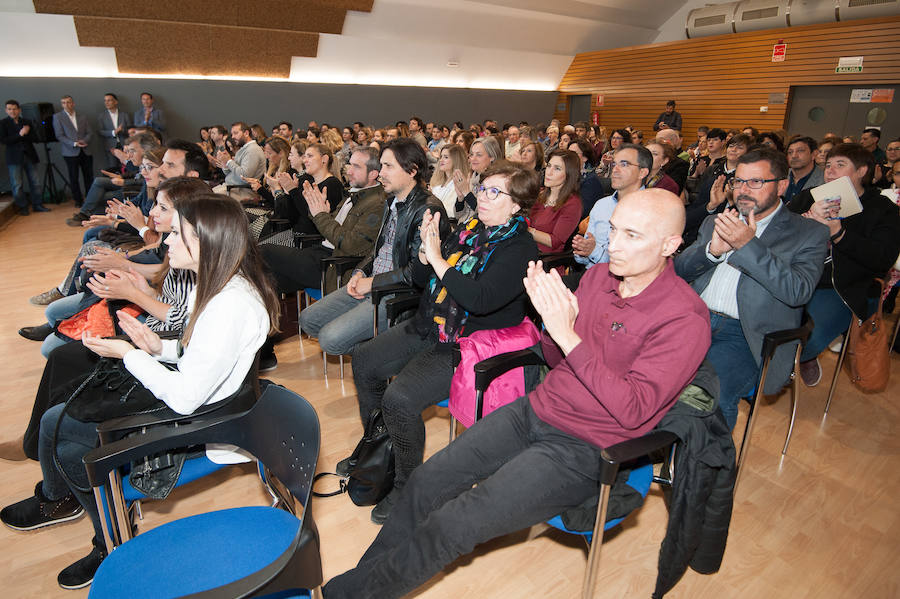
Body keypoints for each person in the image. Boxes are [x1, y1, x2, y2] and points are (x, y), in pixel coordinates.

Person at [322, 188, 710, 599]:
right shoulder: (599, 278)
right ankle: (364, 586)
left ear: (671, 245)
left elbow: (632, 411)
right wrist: (550, 325)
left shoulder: (684, 319)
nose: (612, 244)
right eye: (613, 230)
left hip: (585, 447)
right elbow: (557, 360)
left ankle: (345, 595)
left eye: (632, 236)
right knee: (426, 482)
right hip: (536, 410)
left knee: (454, 523)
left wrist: (567, 334)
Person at [0, 191, 279, 590]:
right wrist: (156, 346)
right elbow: (195, 351)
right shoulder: (223, 287)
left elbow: (186, 397)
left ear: (206, 243)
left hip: (202, 418)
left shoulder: (227, 304)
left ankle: (105, 538)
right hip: (199, 397)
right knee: (60, 427)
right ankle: (89, 521)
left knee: (58, 428)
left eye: (177, 234)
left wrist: (130, 354)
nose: (165, 241)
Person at [347, 162, 541, 523]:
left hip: (468, 341)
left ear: (517, 204)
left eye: (494, 192)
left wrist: (437, 259)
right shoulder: (471, 229)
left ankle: (407, 486)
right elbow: (424, 278)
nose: (482, 197)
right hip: (432, 324)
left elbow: (479, 300)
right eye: (483, 188)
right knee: (364, 360)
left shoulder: (520, 248)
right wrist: (425, 253)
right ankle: (379, 446)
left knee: (400, 398)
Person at [675, 147, 830, 429]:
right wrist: (711, 251)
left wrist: (748, 245)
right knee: (635, 370)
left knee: (703, 397)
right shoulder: (716, 221)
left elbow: (798, 291)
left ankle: (704, 472)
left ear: (782, 185)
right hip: (692, 320)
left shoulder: (808, 232)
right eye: (739, 181)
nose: (743, 190)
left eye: (755, 182)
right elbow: (678, 271)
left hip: (747, 334)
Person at [298, 139, 448, 356]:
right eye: (381, 166)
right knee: (308, 320)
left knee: (330, 340)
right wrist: (361, 271)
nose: (380, 173)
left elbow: (418, 273)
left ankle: (382, 355)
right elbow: (378, 249)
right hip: (372, 281)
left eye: (388, 166)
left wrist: (372, 282)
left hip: (397, 292)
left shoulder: (428, 210)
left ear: (412, 170)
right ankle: (380, 351)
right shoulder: (391, 202)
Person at [785, 144, 900, 386]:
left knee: (809, 336)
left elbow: (882, 257)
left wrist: (838, 233)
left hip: (843, 286)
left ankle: (794, 361)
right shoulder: (810, 196)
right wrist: (800, 224)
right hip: (798, 273)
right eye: (827, 165)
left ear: (861, 171)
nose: (830, 171)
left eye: (840, 165)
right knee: (764, 321)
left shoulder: (882, 209)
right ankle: (773, 368)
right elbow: (778, 228)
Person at [574, 143, 651, 268]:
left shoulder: (650, 210)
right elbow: (585, 258)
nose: (615, 169)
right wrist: (582, 251)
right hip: (591, 275)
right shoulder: (602, 204)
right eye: (614, 164)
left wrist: (594, 251)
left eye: (624, 164)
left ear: (642, 172)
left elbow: (632, 265)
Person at [528, 149, 582, 254]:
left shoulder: (573, 204)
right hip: (526, 248)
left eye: (557, 168)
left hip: (545, 259)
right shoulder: (540, 194)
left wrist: (527, 230)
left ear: (569, 174)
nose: (549, 172)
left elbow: (555, 241)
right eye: (549, 166)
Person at [1, 99, 46, 215]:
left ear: (19, 110)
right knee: (17, 184)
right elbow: (4, 141)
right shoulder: (3, 123)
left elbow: (35, 138)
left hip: (29, 155)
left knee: (35, 182)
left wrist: (26, 133)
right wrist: (20, 134)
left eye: (14, 109)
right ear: (6, 110)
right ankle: (23, 207)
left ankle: (38, 205)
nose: (12, 111)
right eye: (9, 109)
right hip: (14, 158)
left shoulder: (26, 121)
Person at [52, 95, 94, 207]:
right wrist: (74, 143)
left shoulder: (83, 116)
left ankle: (91, 198)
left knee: (89, 176)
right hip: (70, 152)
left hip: (85, 150)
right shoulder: (58, 117)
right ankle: (78, 200)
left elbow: (90, 132)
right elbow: (59, 135)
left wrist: (84, 141)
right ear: (62, 105)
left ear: (73, 103)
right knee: (73, 177)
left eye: (68, 102)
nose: (66, 105)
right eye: (64, 103)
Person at [213, 121, 265, 200]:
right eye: (232, 134)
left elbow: (245, 176)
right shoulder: (243, 149)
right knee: (204, 195)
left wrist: (229, 161)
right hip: (232, 187)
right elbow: (229, 174)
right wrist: (225, 164)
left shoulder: (253, 150)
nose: (233, 137)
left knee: (206, 200)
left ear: (246, 133)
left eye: (236, 133)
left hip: (243, 191)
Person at [429, 144, 470, 218]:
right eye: (441, 156)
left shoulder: (461, 183)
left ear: (456, 160)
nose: (441, 160)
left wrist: (432, 201)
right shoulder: (437, 181)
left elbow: (452, 212)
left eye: (446, 157)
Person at [782, 136, 824, 208]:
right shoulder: (780, 175)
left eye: (800, 151)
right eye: (790, 152)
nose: (794, 156)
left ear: (814, 154)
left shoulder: (824, 181)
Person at [97, 93, 131, 170]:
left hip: (125, 146)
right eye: (105, 101)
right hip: (111, 147)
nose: (106, 103)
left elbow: (130, 131)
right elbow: (100, 131)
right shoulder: (102, 116)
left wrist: (122, 130)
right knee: (113, 169)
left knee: (127, 168)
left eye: (109, 100)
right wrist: (113, 132)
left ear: (115, 102)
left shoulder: (124, 115)